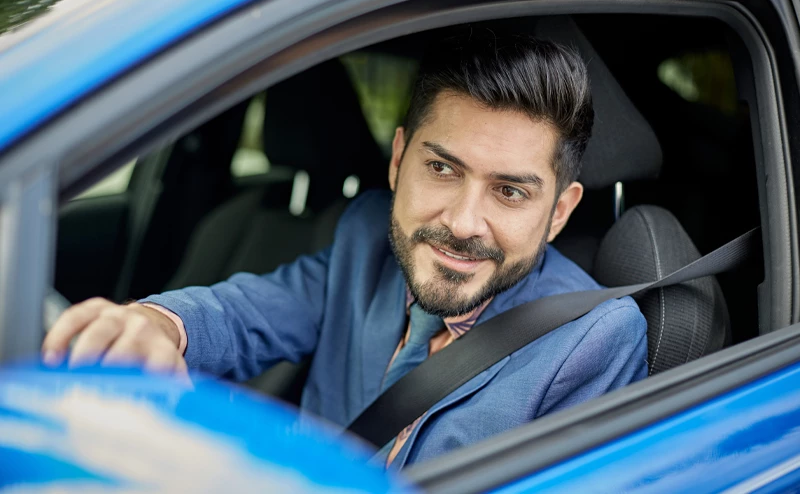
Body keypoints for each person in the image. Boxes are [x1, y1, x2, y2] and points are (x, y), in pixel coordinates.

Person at [42, 30, 648, 469]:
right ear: (398, 159)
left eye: (511, 191)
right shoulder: (364, 236)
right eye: (441, 168)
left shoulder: (594, 340)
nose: (464, 223)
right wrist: (157, 325)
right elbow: (247, 312)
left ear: (559, 211)